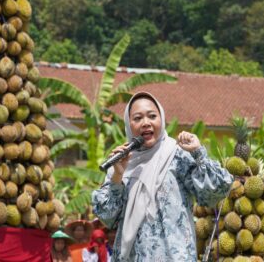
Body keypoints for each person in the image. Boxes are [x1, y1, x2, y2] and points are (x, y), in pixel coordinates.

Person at [92, 92, 233, 261]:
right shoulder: (121, 163)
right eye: (137, 118)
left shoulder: (177, 155)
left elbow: (216, 192)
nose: (146, 123)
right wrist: (117, 176)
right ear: (128, 125)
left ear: (162, 119)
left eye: (152, 116)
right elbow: (107, 217)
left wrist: (198, 153)